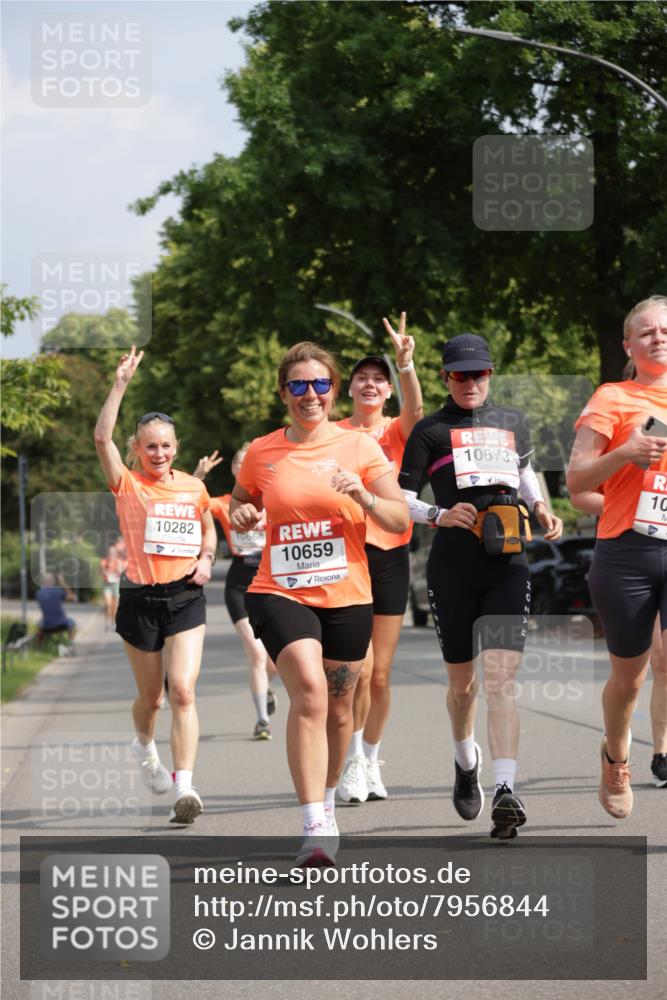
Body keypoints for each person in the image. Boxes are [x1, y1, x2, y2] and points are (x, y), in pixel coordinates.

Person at [230, 341, 409, 865]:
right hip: (278, 588)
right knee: (308, 690)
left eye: (320, 384)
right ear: (283, 392)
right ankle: (311, 823)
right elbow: (241, 502)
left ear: (333, 390)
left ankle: (327, 804)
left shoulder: (360, 448)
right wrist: (242, 516)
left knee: (337, 710)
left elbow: (398, 520)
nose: (311, 395)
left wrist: (365, 496)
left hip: (348, 593)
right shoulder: (264, 451)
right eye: (298, 386)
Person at [399, 333, 563, 839]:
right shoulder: (429, 431)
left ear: (490, 375)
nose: (471, 383)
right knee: (463, 685)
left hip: (508, 560)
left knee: (499, 680)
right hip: (453, 565)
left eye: (479, 374)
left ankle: (506, 790)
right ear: (445, 377)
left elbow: (525, 470)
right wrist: (439, 514)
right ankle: (465, 758)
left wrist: (539, 505)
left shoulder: (512, 421)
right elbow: (399, 496)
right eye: (460, 375)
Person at [94, 346, 217, 825]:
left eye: (166, 446)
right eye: (150, 447)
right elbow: (101, 436)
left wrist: (206, 557)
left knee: (183, 691)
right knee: (153, 699)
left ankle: (184, 787)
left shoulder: (192, 487)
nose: (159, 454)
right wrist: (120, 382)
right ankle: (145, 748)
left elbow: (207, 524)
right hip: (139, 600)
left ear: (177, 448)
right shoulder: (127, 485)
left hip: (185, 597)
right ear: (137, 450)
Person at [567, 295, 667, 816]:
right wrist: (626, 452)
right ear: (629, 345)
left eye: (665, 329)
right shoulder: (612, 397)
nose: (658, 336)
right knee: (629, 679)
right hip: (627, 551)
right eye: (645, 332)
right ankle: (615, 757)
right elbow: (576, 479)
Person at [336, 312, 424, 803]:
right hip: (345, 557)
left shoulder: (396, 430)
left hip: (390, 551)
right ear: (349, 389)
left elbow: (416, 409)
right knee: (359, 669)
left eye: (378, 379)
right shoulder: (333, 432)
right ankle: (350, 761)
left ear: (386, 392)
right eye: (362, 379)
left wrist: (405, 365)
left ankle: (369, 758)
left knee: (383, 672)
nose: (370, 384)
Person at [194, 446, 278, 740]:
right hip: (240, 582)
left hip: (272, 581)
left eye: (249, 463)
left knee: (274, 660)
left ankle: (264, 688)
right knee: (256, 653)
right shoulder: (225, 504)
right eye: (240, 463)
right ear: (234, 470)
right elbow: (194, 504)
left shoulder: (275, 500)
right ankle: (262, 720)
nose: (245, 467)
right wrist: (199, 476)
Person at [35, 573, 77, 648]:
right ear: (53, 582)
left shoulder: (39, 593)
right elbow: (72, 598)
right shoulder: (58, 591)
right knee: (72, 623)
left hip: (46, 626)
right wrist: (63, 582)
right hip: (62, 624)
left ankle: (39, 647)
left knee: (39, 625)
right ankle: (71, 643)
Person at [100, 543, 123, 630]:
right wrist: (105, 572)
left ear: (116, 553)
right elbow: (101, 572)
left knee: (115, 605)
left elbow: (121, 572)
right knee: (108, 604)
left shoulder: (119, 561)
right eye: (110, 552)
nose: (112, 554)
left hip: (116, 584)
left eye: (113, 552)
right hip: (107, 584)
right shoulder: (104, 562)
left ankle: (114, 622)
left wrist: (117, 569)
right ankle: (108, 621)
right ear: (107, 553)